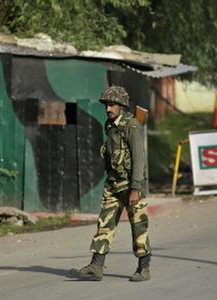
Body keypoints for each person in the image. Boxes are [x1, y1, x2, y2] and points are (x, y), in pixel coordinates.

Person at [71, 85, 151, 282]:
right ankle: (96, 265)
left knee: (138, 226)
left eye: (112, 104)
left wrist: (135, 188)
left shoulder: (131, 126)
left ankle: (143, 268)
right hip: (113, 184)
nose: (108, 108)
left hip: (131, 185)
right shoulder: (109, 124)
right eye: (106, 104)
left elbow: (139, 158)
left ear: (121, 106)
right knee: (104, 224)